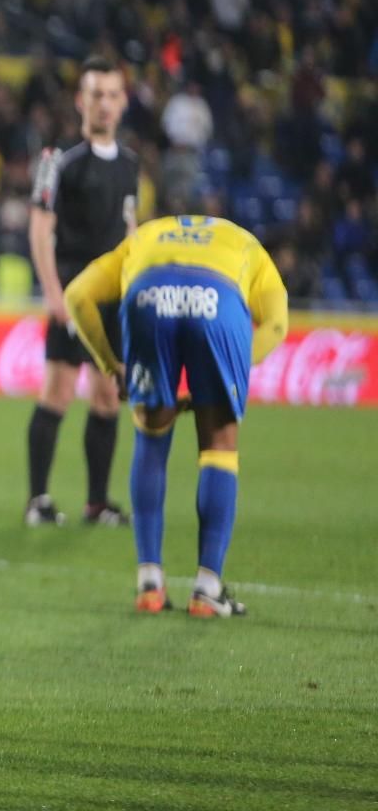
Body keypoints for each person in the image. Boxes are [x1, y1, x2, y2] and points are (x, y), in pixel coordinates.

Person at [64, 213, 288, 616]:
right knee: (219, 445)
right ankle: (207, 588)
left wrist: (110, 365)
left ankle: (149, 583)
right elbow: (276, 325)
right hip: (218, 301)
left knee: (150, 435)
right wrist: (235, 365)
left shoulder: (144, 236)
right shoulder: (245, 242)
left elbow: (77, 297)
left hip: (149, 296)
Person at [25, 58, 141, 527]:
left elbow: (130, 229)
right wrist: (54, 292)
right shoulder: (58, 162)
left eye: (112, 95)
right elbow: (40, 229)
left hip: (113, 297)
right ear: (81, 101)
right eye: (96, 95)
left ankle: (97, 503)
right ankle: (37, 499)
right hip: (75, 292)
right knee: (58, 390)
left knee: (108, 396)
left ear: (123, 102)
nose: (104, 104)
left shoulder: (130, 164)